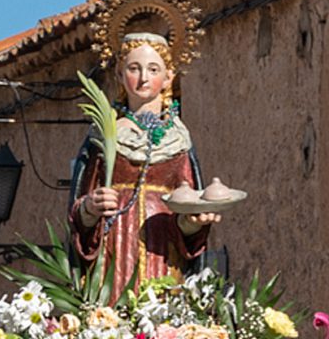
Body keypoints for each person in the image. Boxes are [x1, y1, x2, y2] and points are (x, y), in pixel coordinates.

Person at [70, 15, 218, 293]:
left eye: (153, 69)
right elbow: (79, 208)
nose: (143, 78)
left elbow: (186, 204)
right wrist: (91, 207)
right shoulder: (105, 134)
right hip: (113, 246)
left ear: (168, 77)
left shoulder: (179, 138)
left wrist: (191, 221)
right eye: (134, 68)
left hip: (161, 247)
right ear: (119, 75)